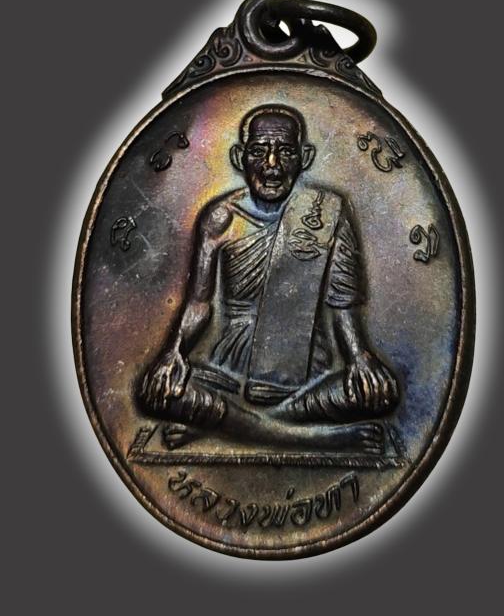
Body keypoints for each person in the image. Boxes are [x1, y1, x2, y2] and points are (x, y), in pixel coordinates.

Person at [139, 104, 399, 450]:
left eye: (286, 151)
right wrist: (174, 352)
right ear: (239, 157)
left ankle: (227, 427)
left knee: (381, 393)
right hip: (229, 373)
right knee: (155, 391)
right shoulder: (221, 219)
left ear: (305, 158)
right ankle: (318, 437)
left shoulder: (327, 212)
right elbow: (200, 303)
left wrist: (359, 356)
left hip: (305, 372)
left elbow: (342, 306)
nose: (272, 165)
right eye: (259, 151)